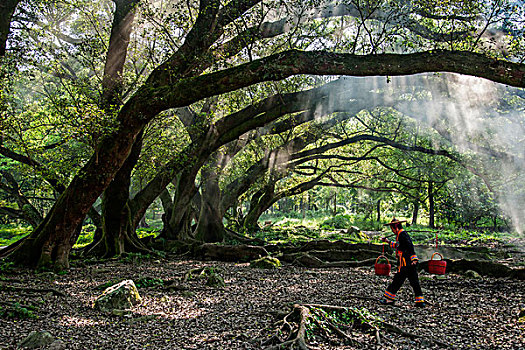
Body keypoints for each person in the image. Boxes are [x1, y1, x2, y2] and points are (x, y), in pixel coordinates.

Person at [379, 218, 426, 307]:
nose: (392, 231)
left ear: (395, 227)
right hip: (409, 263)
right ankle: (420, 301)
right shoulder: (400, 235)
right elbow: (399, 246)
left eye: (392, 229)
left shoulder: (402, 235)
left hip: (405, 263)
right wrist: (387, 241)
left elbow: (410, 247)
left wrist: (414, 259)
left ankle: (389, 299)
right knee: (414, 281)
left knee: (398, 280)